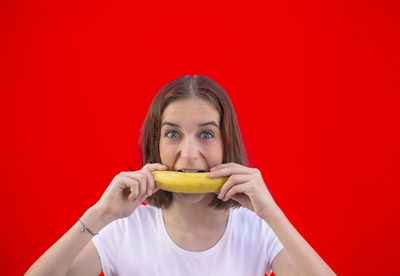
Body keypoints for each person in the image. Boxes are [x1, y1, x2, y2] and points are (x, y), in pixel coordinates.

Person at [26, 74, 336, 276]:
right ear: (155, 144)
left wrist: (272, 214)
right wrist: (100, 214)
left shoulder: (256, 230)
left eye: (206, 135)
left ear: (227, 143)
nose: (189, 154)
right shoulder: (123, 229)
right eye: (173, 134)